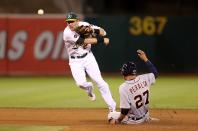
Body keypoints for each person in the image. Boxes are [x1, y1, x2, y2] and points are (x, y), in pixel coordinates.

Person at [63, 12, 116, 112]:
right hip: (75, 61)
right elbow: (85, 41)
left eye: (72, 21)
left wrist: (93, 29)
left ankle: (112, 107)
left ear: (77, 21)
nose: (70, 24)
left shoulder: (85, 25)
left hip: (88, 57)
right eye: (68, 22)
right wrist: (102, 40)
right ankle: (89, 89)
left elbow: (103, 32)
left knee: (101, 83)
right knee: (80, 84)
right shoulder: (67, 33)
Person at [108, 49, 158, 124]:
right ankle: (147, 118)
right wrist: (145, 59)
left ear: (124, 73)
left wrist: (118, 120)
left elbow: (125, 110)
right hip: (146, 115)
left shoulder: (123, 87)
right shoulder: (144, 78)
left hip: (135, 121)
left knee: (110, 115)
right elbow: (155, 73)